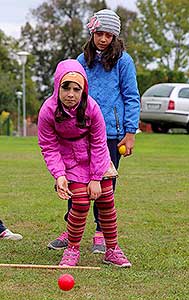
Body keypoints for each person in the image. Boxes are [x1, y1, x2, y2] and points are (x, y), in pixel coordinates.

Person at [48, 9, 140, 254]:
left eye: (109, 35)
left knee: (105, 185)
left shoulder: (124, 61)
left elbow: (131, 97)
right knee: (76, 181)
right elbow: (67, 89)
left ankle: (101, 231)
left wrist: (130, 131)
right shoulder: (80, 60)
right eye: (99, 33)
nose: (103, 39)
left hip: (111, 132)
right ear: (92, 33)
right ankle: (71, 229)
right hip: (79, 131)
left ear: (115, 37)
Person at [38, 58, 131, 267]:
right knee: (79, 203)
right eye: (66, 88)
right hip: (69, 159)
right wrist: (59, 175)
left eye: (76, 89)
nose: (71, 94)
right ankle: (72, 250)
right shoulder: (47, 110)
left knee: (106, 200)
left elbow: (99, 143)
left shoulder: (92, 108)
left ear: (83, 89)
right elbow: (48, 146)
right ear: (57, 86)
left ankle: (112, 249)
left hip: (96, 156)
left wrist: (96, 178)